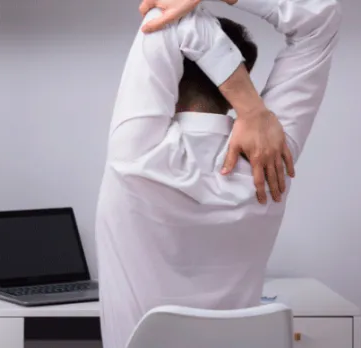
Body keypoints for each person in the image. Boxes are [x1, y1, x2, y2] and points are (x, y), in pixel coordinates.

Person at [94, 0, 341, 346]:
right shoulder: (271, 159)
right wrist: (252, 110)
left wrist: (251, 107)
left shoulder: (135, 155)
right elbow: (320, 18)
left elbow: (161, 20)